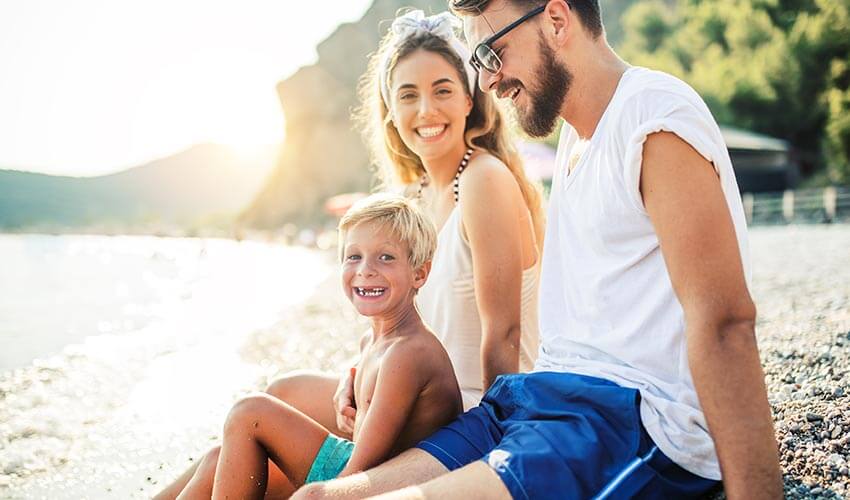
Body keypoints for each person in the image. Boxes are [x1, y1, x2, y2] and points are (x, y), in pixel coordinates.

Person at [292, 1, 783, 499]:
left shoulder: (653, 115)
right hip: (531, 403)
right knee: (317, 496)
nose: (486, 82)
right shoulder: (576, 138)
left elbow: (725, 323)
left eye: (492, 51)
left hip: (627, 425)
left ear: (556, 19)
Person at [155, 10, 543, 499]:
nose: (426, 110)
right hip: (407, 385)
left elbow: (504, 333)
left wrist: (493, 451)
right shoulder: (414, 195)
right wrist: (356, 377)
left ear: (470, 98)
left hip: (465, 409)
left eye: (442, 89)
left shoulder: (485, 182)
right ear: (388, 108)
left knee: (255, 434)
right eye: (408, 94)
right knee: (276, 396)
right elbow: (393, 321)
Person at [177, 193, 463, 499]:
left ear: (419, 273)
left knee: (250, 412)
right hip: (360, 465)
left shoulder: (409, 353)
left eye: (386, 257)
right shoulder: (375, 340)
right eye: (354, 256)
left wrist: (313, 492)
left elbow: (365, 468)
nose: (365, 269)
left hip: (378, 482)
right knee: (216, 459)